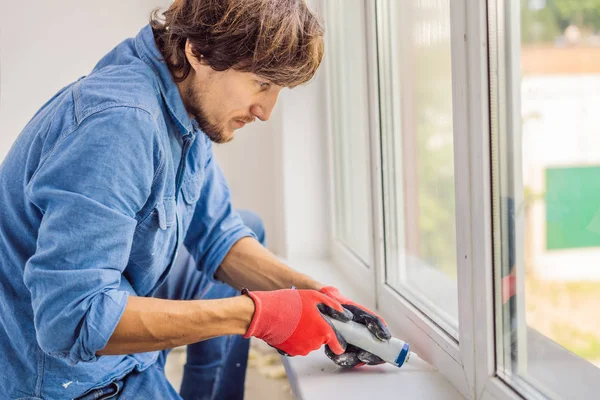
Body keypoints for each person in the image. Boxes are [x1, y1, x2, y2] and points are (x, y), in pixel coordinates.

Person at [0, 1, 390, 399]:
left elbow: (219, 236)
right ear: (198, 51)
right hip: (65, 381)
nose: (266, 111)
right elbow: (73, 319)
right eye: (261, 83)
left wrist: (317, 297)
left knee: (248, 225)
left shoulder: (180, 96)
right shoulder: (121, 124)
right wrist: (256, 315)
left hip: (110, 329)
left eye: (278, 90)